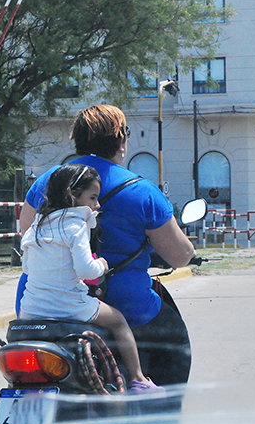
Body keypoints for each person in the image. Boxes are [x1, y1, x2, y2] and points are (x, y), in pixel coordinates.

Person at [17, 104, 195, 386]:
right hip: (123, 303)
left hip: (37, 304)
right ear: (121, 140)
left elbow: (27, 231)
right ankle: (155, 408)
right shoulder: (142, 191)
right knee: (175, 344)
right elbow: (180, 256)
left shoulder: (50, 181)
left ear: (77, 139)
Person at [20, 163, 159, 391]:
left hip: (31, 309)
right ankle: (138, 380)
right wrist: (102, 265)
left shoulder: (37, 224)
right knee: (118, 321)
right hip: (70, 306)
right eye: (93, 197)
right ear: (74, 195)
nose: (97, 204)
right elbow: (86, 270)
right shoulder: (76, 223)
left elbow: (27, 267)